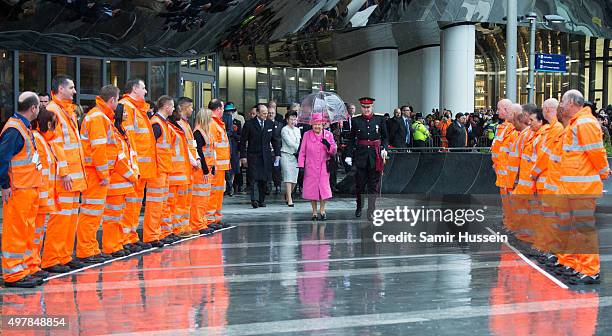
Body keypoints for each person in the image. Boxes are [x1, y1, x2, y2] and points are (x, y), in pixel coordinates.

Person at [555, 90, 609, 285]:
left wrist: (603, 172)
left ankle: (590, 270)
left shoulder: (584, 123)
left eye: (562, 101)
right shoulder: (577, 123)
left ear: (572, 103)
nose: (560, 105)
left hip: (582, 187)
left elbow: (596, 152)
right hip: (573, 187)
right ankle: (575, 264)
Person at [41, 75, 88, 273]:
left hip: (73, 176)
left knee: (69, 218)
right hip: (65, 177)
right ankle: (52, 259)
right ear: (60, 89)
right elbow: (55, 143)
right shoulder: (53, 110)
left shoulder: (65, 111)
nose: (75, 91)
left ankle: (64, 255)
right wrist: (65, 171)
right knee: (60, 219)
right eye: (71, 87)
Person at [0, 92, 44, 288]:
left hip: (27, 188)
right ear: (33, 108)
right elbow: (2, 159)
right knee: (16, 231)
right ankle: (13, 273)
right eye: (39, 107)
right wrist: (5, 185)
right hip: (18, 189)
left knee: (26, 230)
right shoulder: (15, 129)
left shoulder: (22, 127)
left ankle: (23, 268)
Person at [77, 85, 122, 263]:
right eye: (117, 100)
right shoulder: (98, 118)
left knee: (94, 213)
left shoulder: (100, 116)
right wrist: (104, 175)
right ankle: (86, 250)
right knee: (90, 212)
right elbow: (98, 150)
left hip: (96, 172)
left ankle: (91, 248)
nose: (118, 104)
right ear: (112, 100)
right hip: (95, 174)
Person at [119, 78, 157, 249]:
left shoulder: (137, 109)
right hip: (135, 167)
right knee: (130, 204)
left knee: (134, 204)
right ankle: (126, 238)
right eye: (143, 87)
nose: (146, 91)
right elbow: (128, 138)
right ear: (134, 89)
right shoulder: (128, 107)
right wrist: (132, 165)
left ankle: (131, 236)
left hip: (141, 166)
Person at [102, 95, 139, 257]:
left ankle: (118, 243)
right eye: (123, 112)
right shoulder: (115, 132)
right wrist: (131, 175)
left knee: (119, 215)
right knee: (112, 216)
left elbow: (130, 155)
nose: (126, 115)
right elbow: (118, 158)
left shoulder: (122, 131)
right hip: (117, 180)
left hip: (124, 181)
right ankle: (112, 246)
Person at [344, 97, 389, 219]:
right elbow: (352, 139)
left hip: (375, 156)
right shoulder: (356, 120)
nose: (366, 109)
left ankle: (371, 210)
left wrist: (384, 148)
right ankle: (359, 207)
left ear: (372, 107)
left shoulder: (380, 119)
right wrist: (348, 154)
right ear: (361, 108)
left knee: (373, 186)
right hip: (361, 156)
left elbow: (385, 137)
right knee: (360, 185)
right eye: (364, 107)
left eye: (368, 107)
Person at [28, 107, 58, 281]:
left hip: (42, 196)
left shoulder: (43, 140)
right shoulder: (38, 139)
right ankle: (31, 265)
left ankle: (34, 263)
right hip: (39, 196)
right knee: (33, 233)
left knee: (37, 233)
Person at [148, 95, 176, 245]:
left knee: (162, 204)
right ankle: (152, 235)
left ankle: (158, 232)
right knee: (155, 204)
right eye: (172, 106)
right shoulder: (157, 124)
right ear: (166, 107)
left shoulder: (162, 123)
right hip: (158, 170)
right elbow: (150, 148)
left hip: (163, 169)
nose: (173, 109)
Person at [240, 103, 280, 208]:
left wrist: (277, 154)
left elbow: (275, 140)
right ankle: (254, 200)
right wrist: (243, 156)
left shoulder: (270, 124)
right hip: (253, 155)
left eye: (266, 113)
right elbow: (243, 141)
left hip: (266, 156)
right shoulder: (249, 124)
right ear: (257, 113)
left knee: (264, 179)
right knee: (253, 179)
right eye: (263, 113)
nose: (265, 115)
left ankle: (262, 200)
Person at [299, 113, 337, 220]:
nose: (317, 126)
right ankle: (314, 212)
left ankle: (322, 210)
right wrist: (301, 165)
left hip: (324, 166)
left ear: (323, 124)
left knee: (323, 189)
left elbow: (334, 151)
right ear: (312, 124)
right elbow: (302, 151)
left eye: (319, 124)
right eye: (315, 124)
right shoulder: (307, 135)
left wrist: (328, 145)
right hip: (310, 166)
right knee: (312, 189)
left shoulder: (328, 134)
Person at [175, 97, 201, 236]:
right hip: (183, 167)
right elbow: (184, 147)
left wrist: (196, 158)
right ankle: (179, 228)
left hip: (188, 167)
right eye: (190, 107)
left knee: (186, 200)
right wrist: (193, 160)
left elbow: (192, 145)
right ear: (184, 108)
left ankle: (185, 227)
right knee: (181, 201)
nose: (192, 110)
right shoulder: (180, 124)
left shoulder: (186, 125)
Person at [190, 108, 215, 235]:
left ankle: (202, 221)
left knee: (204, 199)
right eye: (210, 118)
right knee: (198, 199)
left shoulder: (205, 132)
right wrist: (205, 169)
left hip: (207, 169)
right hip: (201, 171)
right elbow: (199, 152)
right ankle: (197, 223)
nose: (211, 121)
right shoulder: (198, 133)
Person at [208, 99, 231, 229]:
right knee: (214, 192)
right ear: (218, 109)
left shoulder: (217, 123)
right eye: (222, 108)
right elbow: (212, 146)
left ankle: (216, 218)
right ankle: (210, 219)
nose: (223, 111)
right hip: (216, 165)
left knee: (218, 192)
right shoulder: (212, 123)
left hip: (220, 165)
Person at [280, 110, 301, 207]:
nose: (293, 121)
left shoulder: (297, 130)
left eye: (294, 119)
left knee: (294, 180)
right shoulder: (284, 129)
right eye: (291, 119)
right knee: (288, 177)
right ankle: (290, 199)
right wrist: (300, 147)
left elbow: (300, 141)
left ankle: (287, 195)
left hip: (296, 156)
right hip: (286, 155)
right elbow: (289, 143)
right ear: (287, 120)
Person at [223, 102, 240, 196]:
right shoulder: (223, 117)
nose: (230, 113)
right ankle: (229, 186)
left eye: (231, 111)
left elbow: (230, 131)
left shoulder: (232, 119)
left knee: (230, 167)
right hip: (225, 145)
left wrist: (222, 135)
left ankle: (230, 186)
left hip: (230, 145)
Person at [268, 102, 284, 194]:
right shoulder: (265, 123)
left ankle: (277, 185)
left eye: (272, 113)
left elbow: (281, 138)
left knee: (277, 169)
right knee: (268, 169)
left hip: (276, 150)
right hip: (267, 150)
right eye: (269, 113)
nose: (270, 114)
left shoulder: (280, 125)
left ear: (275, 114)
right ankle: (268, 185)